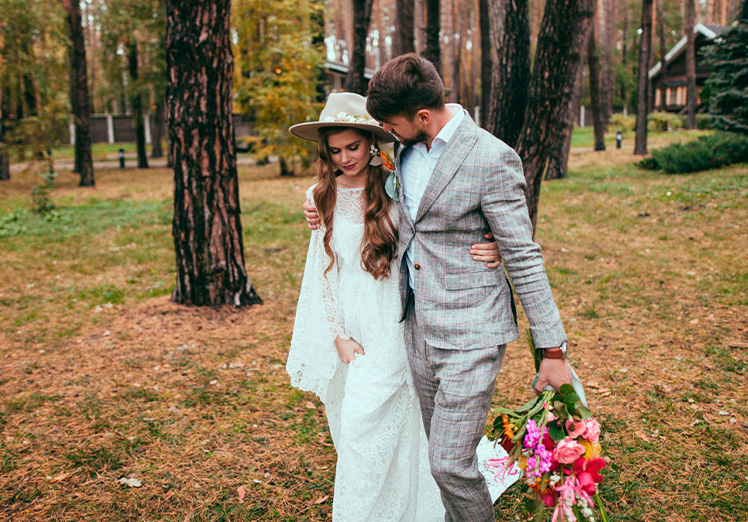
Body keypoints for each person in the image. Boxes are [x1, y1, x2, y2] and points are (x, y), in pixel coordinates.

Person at [303, 54, 573, 522]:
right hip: (414, 330)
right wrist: (316, 204)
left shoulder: (492, 157)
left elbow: (524, 254)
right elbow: (366, 196)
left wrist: (552, 350)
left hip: (473, 331)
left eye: (390, 123)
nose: (385, 132)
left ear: (422, 116)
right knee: (439, 456)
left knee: (448, 463)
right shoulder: (403, 154)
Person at [287, 92, 510, 522]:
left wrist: (494, 242)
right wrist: (337, 333)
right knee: (356, 425)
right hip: (352, 323)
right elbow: (322, 270)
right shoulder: (321, 195)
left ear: (372, 143)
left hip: (394, 316)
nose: (345, 158)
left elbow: (440, 223)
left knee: (370, 421)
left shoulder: (395, 183)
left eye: (353, 147)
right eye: (335, 150)